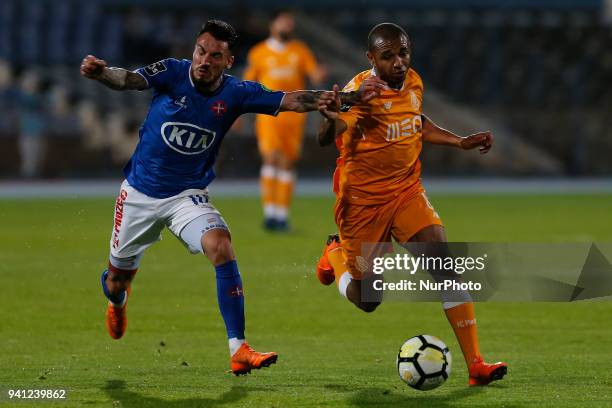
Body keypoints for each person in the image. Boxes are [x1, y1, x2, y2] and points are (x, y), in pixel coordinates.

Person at [80, 19, 382, 376]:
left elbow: (292, 100)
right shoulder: (172, 72)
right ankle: (117, 301)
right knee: (117, 281)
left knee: (221, 245)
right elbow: (128, 79)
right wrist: (101, 73)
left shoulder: (236, 93)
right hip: (138, 196)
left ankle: (238, 348)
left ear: (228, 60)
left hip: (186, 196)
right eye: (201, 51)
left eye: (215, 56)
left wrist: (346, 99)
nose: (204, 60)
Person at [315, 22, 507, 386]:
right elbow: (330, 135)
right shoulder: (361, 92)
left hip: (406, 191)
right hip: (362, 204)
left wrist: (459, 142)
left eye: (403, 53)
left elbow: (415, 121)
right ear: (372, 58)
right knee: (368, 299)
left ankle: (476, 366)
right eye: (388, 56)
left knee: (445, 265)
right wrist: (327, 119)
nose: (398, 62)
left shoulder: (414, 81)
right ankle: (335, 255)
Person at [243, 10, 326, 231]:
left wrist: (320, 74)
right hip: (268, 114)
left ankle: (282, 215)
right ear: (273, 25)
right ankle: (270, 214)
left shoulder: (300, 50)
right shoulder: (259, 52)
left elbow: (313, 74)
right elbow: (248, 82)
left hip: (295, 116)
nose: (287, 27)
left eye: (290, 24)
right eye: (284, 22)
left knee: (288, 162)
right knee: (271, 158)